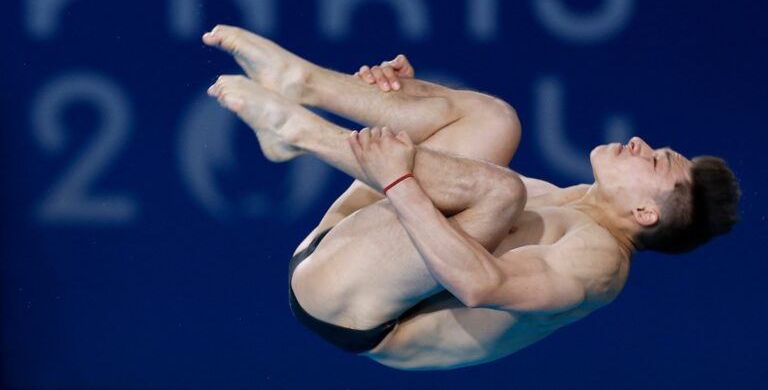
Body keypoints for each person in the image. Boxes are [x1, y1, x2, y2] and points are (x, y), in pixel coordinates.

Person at [202, 25, 741, 370]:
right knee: (494, 120)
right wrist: (408, 95)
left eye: (657, 163)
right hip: (345, 246)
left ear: (645, 214)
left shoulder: (599, 264)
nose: (643, 145)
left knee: (498, 190)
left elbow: (479, 284)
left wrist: (397, 181)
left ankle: (302, 133)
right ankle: (305, 85)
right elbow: (451, 174)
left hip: (354, 310)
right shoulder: (571, 198)